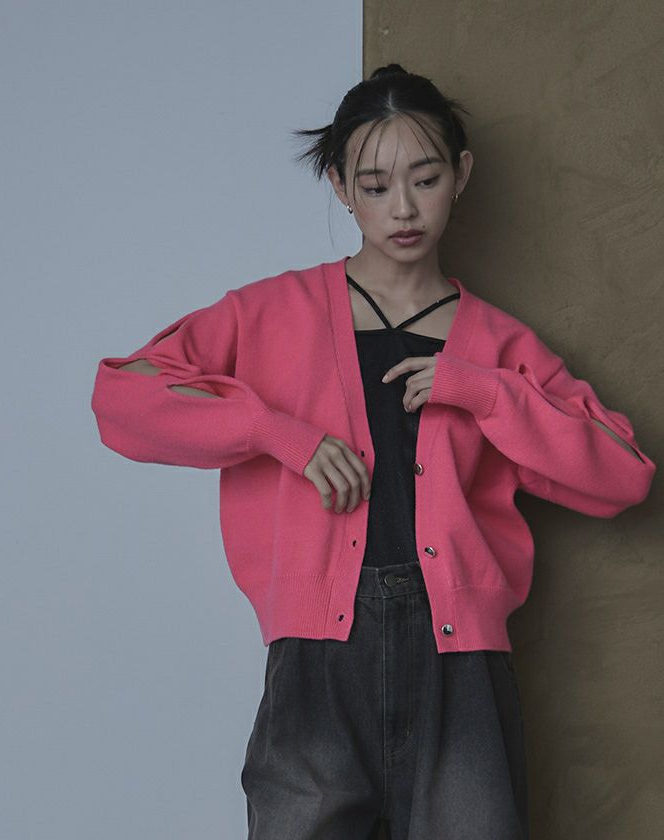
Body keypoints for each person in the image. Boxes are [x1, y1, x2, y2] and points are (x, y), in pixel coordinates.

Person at [90, 64, 656, 840]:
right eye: (376, 185)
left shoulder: (498, 344)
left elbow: (623, 474)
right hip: (317, 662)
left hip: (461, 665)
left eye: (425, 178)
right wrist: (277, 432)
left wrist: (486, 393)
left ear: (461, 174)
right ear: (340, 187)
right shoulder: (270, 314)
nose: (404, 208)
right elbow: (123, 398)